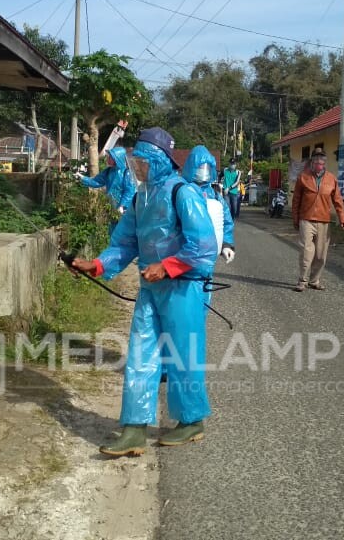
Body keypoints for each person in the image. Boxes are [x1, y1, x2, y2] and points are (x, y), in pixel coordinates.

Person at [71, 127, 218, 457]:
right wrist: (97, 265)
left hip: (183, 288)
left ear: (161, 160)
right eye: (135, 161)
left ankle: (192, 421)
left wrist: (168, 266)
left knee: (183, 354)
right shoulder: (142, 197)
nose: (137, 167)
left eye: (143, 162)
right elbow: (124, 243)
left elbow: (205, 246)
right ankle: (134, 428)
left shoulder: (183, 192)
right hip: (151, 288)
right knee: (140, 355)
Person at [291, 152, 344, 292]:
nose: (319, 166)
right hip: (306, 219)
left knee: (321, 253)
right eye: (317, 164)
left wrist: (342, 216)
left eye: (322, 164)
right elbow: (296, 200)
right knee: (306, 250)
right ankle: (302, 281)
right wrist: (295, 218)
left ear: (325, 165)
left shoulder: (331, 179)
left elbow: (337, 199)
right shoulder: (303, 177)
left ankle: (314, 280)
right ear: (312, 164)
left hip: (324, 220)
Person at [183, 145, 236, 266]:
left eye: (206, 167)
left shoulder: (215, 195)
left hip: (208, 255)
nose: (203, 171)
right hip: (184, 254)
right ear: (191, 167)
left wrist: (226, 245)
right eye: (200, 167)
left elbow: (226, 222)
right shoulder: (181, 191)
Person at [75, 146, 137, 233]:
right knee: (113, 232)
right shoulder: (108, 171)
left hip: (125, 211)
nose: (107, 158)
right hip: (112, 208)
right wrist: (82, 178)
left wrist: (122, 206)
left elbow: (129, 191)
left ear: (117, 158)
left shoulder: (126, 173)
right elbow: (96, 181)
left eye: (110, 156)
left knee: (124, 234)